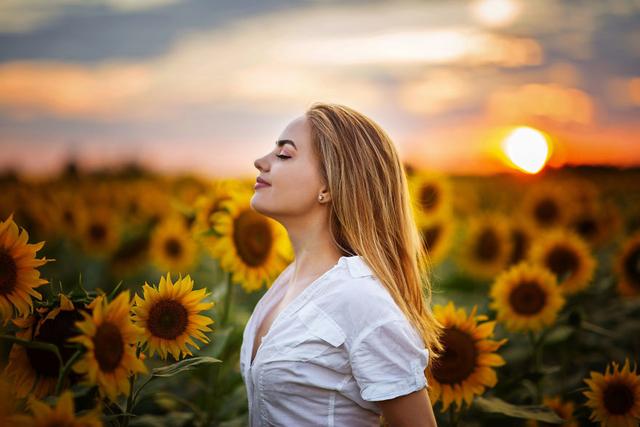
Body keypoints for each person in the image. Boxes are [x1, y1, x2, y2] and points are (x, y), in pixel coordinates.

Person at [240, 102, 444, 426]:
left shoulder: (359, 298)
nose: (260, 162)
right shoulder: (288, 282)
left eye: (284, 155)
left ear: (329, 186)